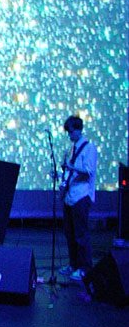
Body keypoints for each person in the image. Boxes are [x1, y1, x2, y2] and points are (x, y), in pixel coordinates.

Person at [59, 115, 97, 284]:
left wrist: (71, 167)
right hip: (70, 196)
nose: (69, 135)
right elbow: (70, 172)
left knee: (81, 234)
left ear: (78, 130)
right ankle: (73, 264)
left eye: (71, 131)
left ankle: (85, 268)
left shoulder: (89, 148)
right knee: (70, 233)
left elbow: (88, 172)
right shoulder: (71, 149)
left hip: (82, 196)